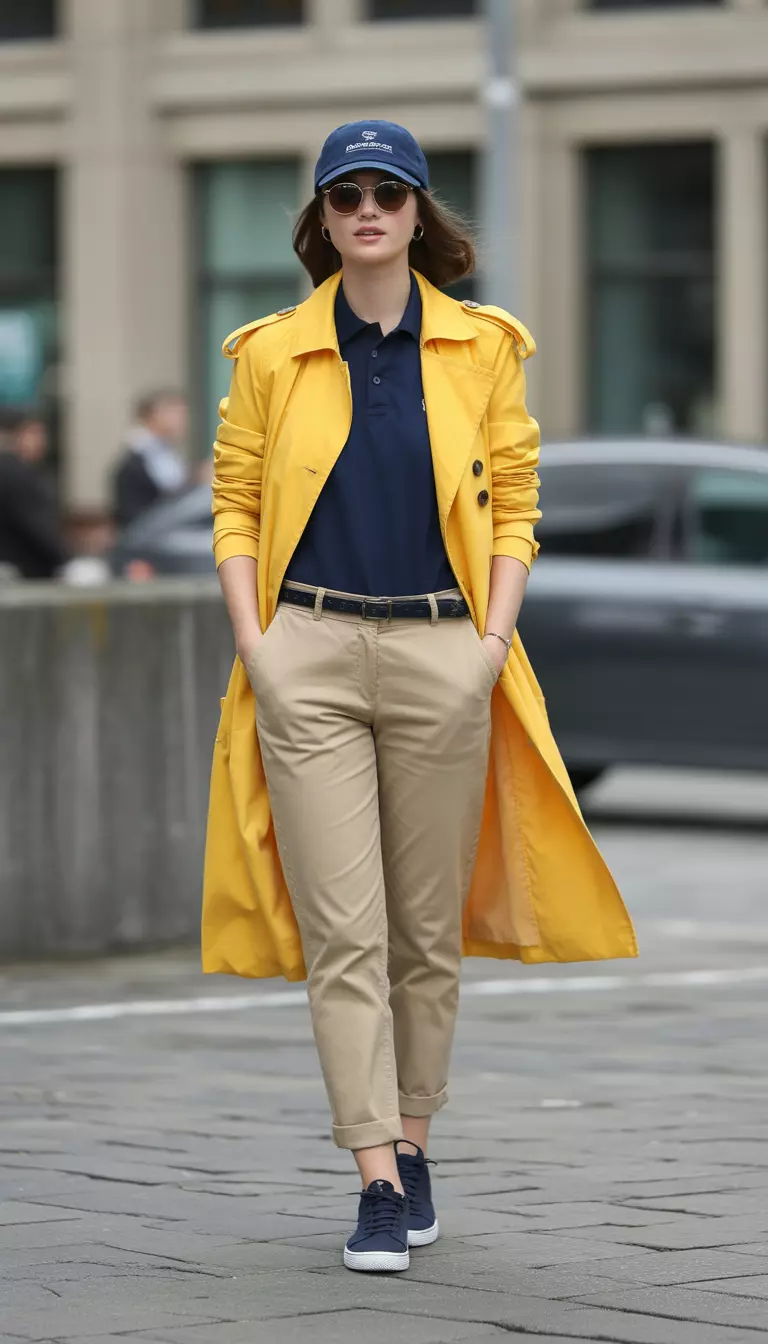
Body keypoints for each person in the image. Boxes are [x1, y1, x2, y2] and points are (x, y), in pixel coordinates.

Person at [201, 120, 637, 1273]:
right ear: (324, 218)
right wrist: (260, 644)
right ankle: (376, 1178)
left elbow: (519, 496)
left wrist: (493, 641)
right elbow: (236, 500)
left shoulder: (483, 349)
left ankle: (418, 1135)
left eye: (388, 191)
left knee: (422, 935)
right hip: (313, 658)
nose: (367, 210)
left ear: (420, 211)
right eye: (346, 194)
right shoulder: (270, 352)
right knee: (344, 935)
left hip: (447, 653)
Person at [0, 408, 70, 579]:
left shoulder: (21, 471)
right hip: (21, 571)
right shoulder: (12, 472)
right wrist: (65, 560)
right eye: (34, 434)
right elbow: (36, 528)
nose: (42, 442)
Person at [112, 390, 191, 528]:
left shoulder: (167, 453)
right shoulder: (137, 459)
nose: (182, 420)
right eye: (176, 413)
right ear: (154, 415)